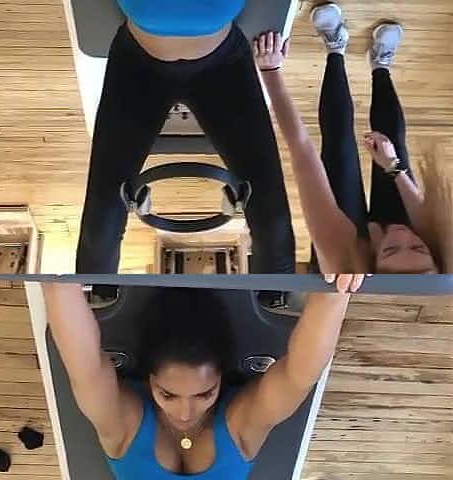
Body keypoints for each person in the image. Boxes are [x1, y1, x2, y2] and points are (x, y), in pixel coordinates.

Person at [42, 275, 364, 479]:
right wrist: (335, 291)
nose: (185, 413)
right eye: (168, 394)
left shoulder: (238, 424)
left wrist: (58, 279)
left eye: (204, 394)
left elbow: (298, 377)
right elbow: (87, 371)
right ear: (150, 379)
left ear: (221, 379)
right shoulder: (124, 423)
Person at [76, 0, 296, 275]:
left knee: (270, 209)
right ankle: (93, 294)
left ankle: (275, 296)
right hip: (139, 67)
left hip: (222, 68)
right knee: (104, 204)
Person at [254, 2, 453, 274]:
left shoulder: (340, 256)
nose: (402, 234)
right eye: (418, 247)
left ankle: (336, 49)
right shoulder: (442, 253)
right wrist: (393, 167)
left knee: (338, 147)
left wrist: (270, 71)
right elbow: (425, 220)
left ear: (373, 261)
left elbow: (303, 152)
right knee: (392, 143)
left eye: (392, 249)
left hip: (351, 247)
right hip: (408, 246)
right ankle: (381, 66)